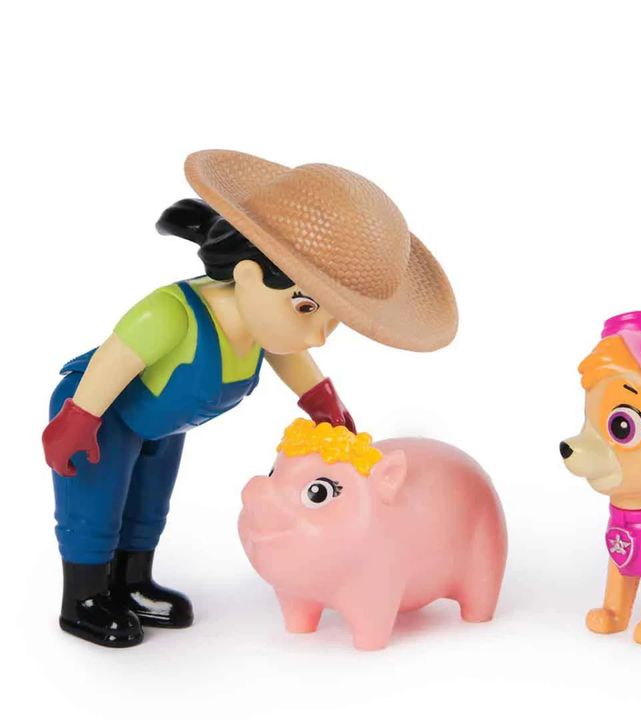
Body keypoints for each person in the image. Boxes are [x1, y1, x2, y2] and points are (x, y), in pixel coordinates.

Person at [42, 149, 458, 647]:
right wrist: (77, 419)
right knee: (95, 507)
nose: (318, 336)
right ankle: (83, 601)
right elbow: (115, 360)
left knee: (148, 504)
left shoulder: (262, 324)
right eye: (306, 308)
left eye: (334, 320)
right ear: (248, 276)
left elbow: (288, 353)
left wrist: (321, 401)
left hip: (161, 420)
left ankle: (132, 583)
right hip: (100, 413)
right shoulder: (171, 315)